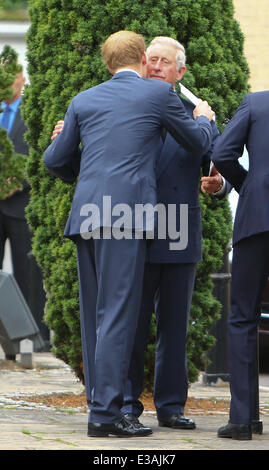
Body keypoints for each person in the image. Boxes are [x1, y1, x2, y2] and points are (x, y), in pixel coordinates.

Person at [44, 30, 214, 438]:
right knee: (118, 315)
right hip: (126, 217)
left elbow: (55, 159)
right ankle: (104, 415)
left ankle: (99, 406)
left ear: (106, 62)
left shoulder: (84, 99)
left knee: (95, 317)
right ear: (141, 59)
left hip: (86, 217)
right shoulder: (157, 97)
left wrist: (85, 179)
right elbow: (194, 142)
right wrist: (206, 122)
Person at [120, 36, 229, 430]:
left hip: (179, 231)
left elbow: (219, 163)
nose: (155, 67)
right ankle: (127, 405)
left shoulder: (198, 113)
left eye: (165, 62)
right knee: (131, 326)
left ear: (180, 72)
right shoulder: (127, 107)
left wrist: (219, 185)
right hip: (133, 230)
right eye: (151, 60)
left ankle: (170, 406)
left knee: (174, 326)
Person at [212, 91, 269, 440]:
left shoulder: (256, 103)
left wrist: (249, 185)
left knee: (243, 316)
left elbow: (221, 153)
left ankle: (243, 420)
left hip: (257, 219)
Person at [0, 68, 49, 354]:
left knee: (27, 273)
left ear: (21, 78)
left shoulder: (34, 112)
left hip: (22, 206)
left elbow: (44, 152)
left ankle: (34, 338)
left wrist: (21, 179)